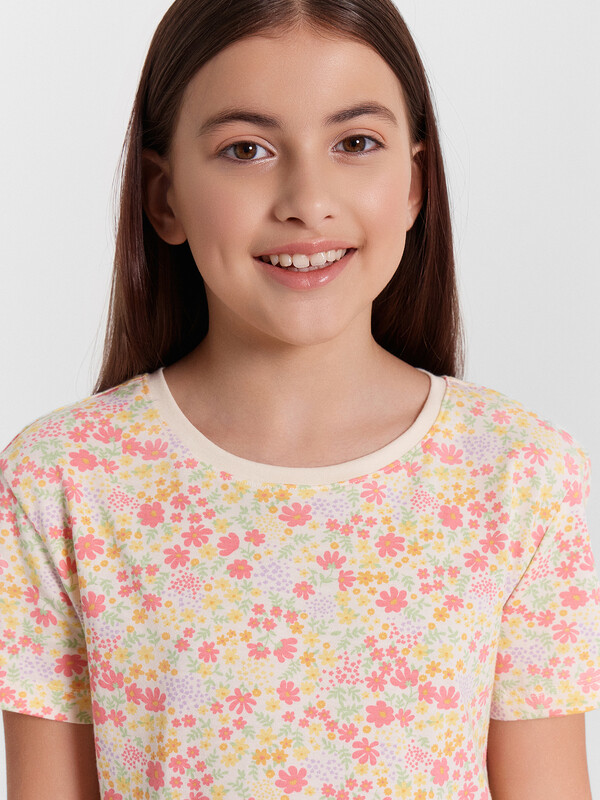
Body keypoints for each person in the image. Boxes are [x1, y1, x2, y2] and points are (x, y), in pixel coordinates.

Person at [1, 0, 599, 798]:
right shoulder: (61, 482)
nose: (308, 199)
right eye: (246, 149)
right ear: (164, 196)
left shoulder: (520, 475)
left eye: (355, 143)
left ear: (415, 183)